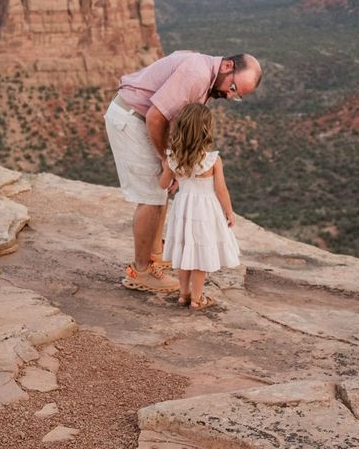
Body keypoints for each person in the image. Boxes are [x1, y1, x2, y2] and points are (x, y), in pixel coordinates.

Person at [104, 50, 261, 293]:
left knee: (162, 190)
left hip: (142, 119)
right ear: (228, 66)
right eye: (233, 88)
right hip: (133, 119)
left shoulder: (207, 78)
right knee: (150, 197)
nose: (230, 97)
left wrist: (175, 164)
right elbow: (156, 117)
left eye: (237, 96)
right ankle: (141, 272)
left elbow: (174, 120)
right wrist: (167, 159)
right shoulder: (197, 74)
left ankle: (155, 257)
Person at [158, 103, 240, 309]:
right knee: (200, 254)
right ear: (205, 130)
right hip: (205, 211)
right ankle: (197, 298)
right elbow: (221, 190)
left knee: (186, 250)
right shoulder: (212, 160)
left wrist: (166, 168)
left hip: (183, 209)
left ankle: (183, 294)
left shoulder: (173, 159)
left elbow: (162, 185)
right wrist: (228, 212)